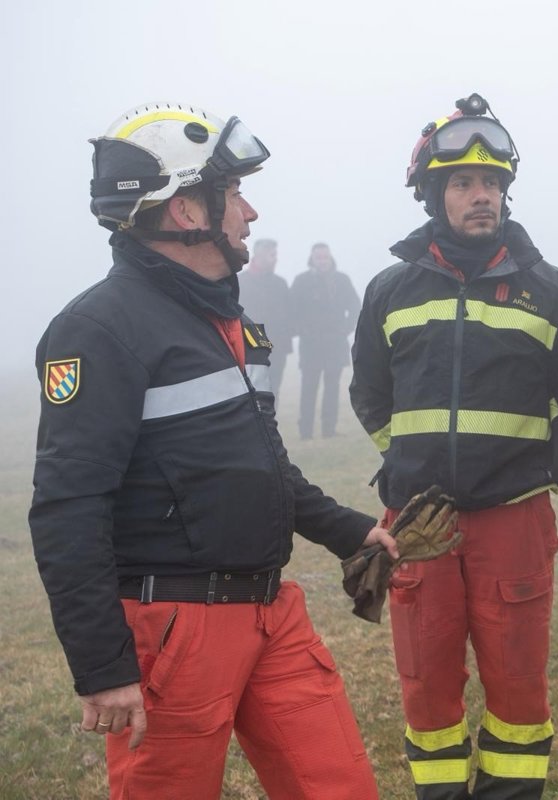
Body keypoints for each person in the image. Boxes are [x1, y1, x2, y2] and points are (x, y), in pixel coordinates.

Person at [29, 102, 400, 800]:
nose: (250, 213)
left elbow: (264, 465)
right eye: (233, 193)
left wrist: (349, 530)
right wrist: (103, 665)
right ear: (185, 209)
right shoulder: (98, 329)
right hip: (173, 629)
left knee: (341, 787)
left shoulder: (232, 321)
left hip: (273, 610)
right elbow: (67, 507)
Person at [349, 92, 558, 800]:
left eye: (492, 182)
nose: (482, 195)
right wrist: (405, 462)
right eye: (463, 183)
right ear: (433, 195)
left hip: (514, 520)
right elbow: (370, 393)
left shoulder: (552, 291)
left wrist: (536, 467)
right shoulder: (389, 291)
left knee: (518, 687)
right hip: (419, 525)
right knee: (427, 686)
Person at [292, 241, 359, 439]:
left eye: (325, 257)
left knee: (332, 388)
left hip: (335, 344)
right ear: (312, 259)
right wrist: (302, 330)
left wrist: (346, 329)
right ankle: (305, 432)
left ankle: (329, 430)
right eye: (318, 257)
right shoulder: (301, 281)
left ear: (330, 258)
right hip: (310, 345)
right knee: (309, 388)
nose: (322, 261)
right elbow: (292, 310)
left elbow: (355, 306)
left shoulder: (342, 280)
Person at [238, 238, 294, 398]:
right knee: (249, 391)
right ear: (259, 255)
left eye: (275, 255)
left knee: (273, 390)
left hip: (277, 347)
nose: (275, 259)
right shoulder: (241, 282)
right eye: (271, 255)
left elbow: (289, 313)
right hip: (248, 347)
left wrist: (287, 335)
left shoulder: (280, 283)